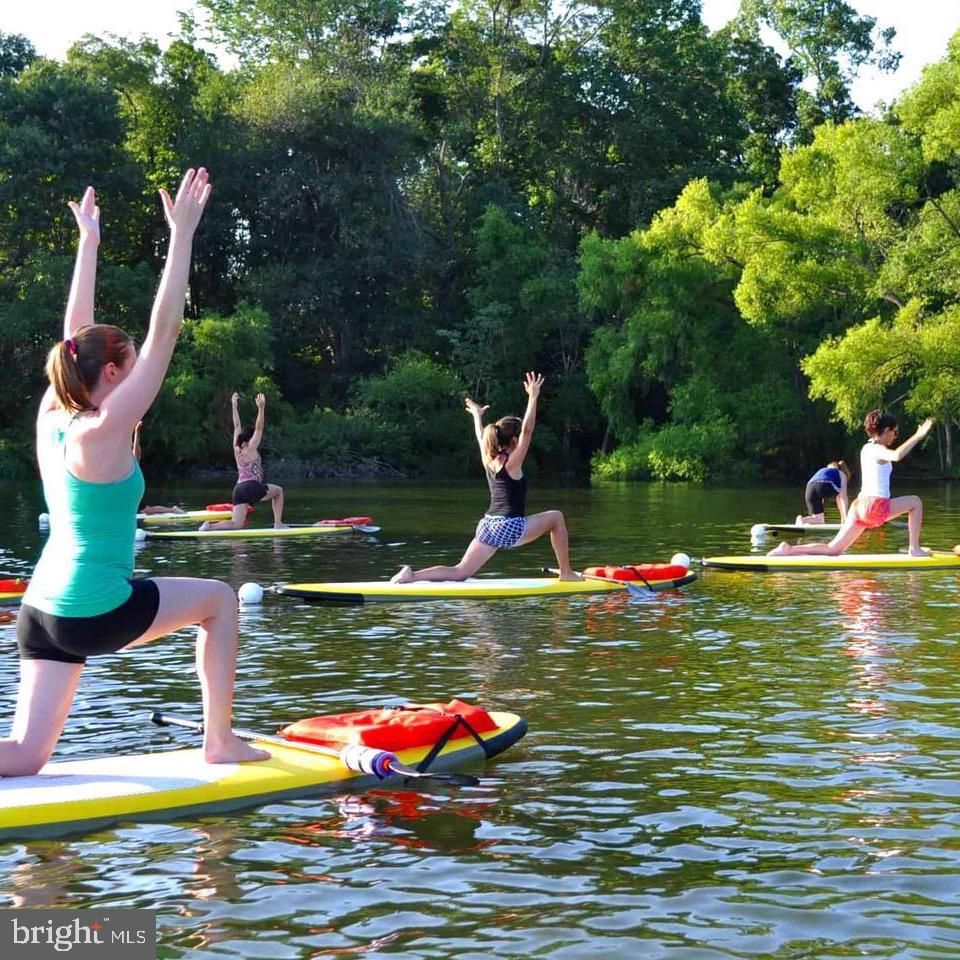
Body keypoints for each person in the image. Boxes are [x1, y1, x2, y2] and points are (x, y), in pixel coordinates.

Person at [3, 171, 268, 776]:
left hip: (40, 609)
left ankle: (220, 737)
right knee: (221, 600)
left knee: (24, 757)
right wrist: (182, 237)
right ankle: (219, 740)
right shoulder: (103, 430)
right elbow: (165, 331)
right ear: (117, 375)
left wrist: (88, 244)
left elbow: (74, 337)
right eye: (127, 362)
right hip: (90, 611)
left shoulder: (52, 412)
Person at [391, 372, 578, 584]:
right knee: (556, 517)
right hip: (510, 526)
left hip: (487, 525)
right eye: (520, 438)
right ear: (514, 440)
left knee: (460, 572)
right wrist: (533, 397)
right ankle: (566, 573)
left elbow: (481, 437)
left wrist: (477, 416)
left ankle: (411, 575)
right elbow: (528, 430)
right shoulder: (512, 462)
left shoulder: (489, 459)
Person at [769, 410, 934, 559]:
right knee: (916, 502)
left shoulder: (866, 448)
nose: (895, 436)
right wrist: (918, 435)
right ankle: (914, 549)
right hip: (874, 507)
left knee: (833, 549)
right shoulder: (877, 449)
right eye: (895, 432)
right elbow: (897, 455)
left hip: (860, 506)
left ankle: (788, 550)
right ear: (886, 431)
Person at [199, 392, 286, 530]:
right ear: (249, 439)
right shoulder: (251, 448)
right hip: (251, 486)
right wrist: (261, 408)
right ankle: (278, 524)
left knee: (236, 524)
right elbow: (259, 428)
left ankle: (209, 526)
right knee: (279, 491)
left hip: (238, 489)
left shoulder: (236, 448)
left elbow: (237, 426)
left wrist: (234, 406)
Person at [133, 420, 184, 515]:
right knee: (146, 510)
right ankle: (173, 510)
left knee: (147, 510)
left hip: (133, 490)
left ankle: (173, 510)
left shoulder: (131, 465)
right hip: (128, 490)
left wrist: (137, 433)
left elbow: (137, 452)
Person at [795, 460, 851, 525]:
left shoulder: (822, 471)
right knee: (840, 495)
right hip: (824, 486)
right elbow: (843, 498)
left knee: (819, 520)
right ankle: (844, 520)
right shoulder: (841, 474)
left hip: (809, 488)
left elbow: (820, 493)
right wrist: (845, 518)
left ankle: (801, 519)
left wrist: (818, 510)